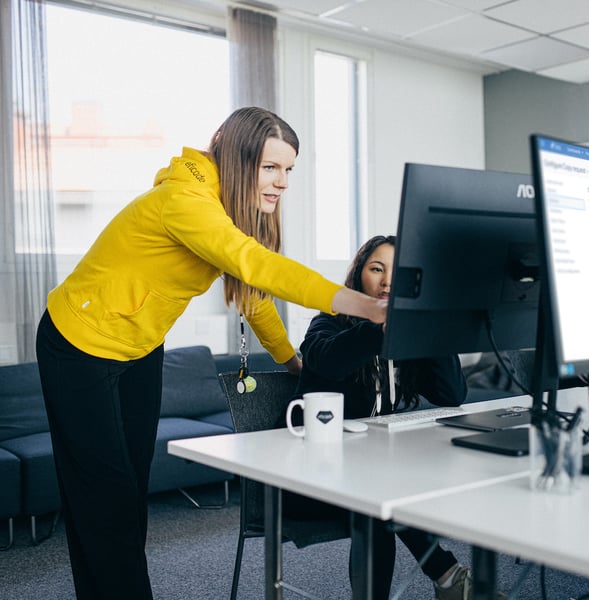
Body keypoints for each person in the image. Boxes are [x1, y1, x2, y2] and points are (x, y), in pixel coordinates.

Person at [35, 106, 387, 600]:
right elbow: (260, 266)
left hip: (139, 348)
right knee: (103, 492)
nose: (282, 181)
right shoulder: (185, 202)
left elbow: (255, 296)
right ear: (240, 159)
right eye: (271, 167)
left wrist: (292, 362)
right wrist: (366, 306)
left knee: (129, 491)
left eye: (288, 170)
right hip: (77, 342)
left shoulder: (226, 214)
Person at [288, 235, 505, 600]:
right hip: (309, 476)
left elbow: (451, 394)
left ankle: (448, 578)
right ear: (358, 277)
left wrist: (431, 329)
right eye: (377, 269)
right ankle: (449, 577)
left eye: (398, 273)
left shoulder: (408, 336)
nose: (388, 281)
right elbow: (327, 361)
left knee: (384, 490)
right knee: (380, 496)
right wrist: (377, 328)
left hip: (370, 473)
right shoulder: (327, 323)